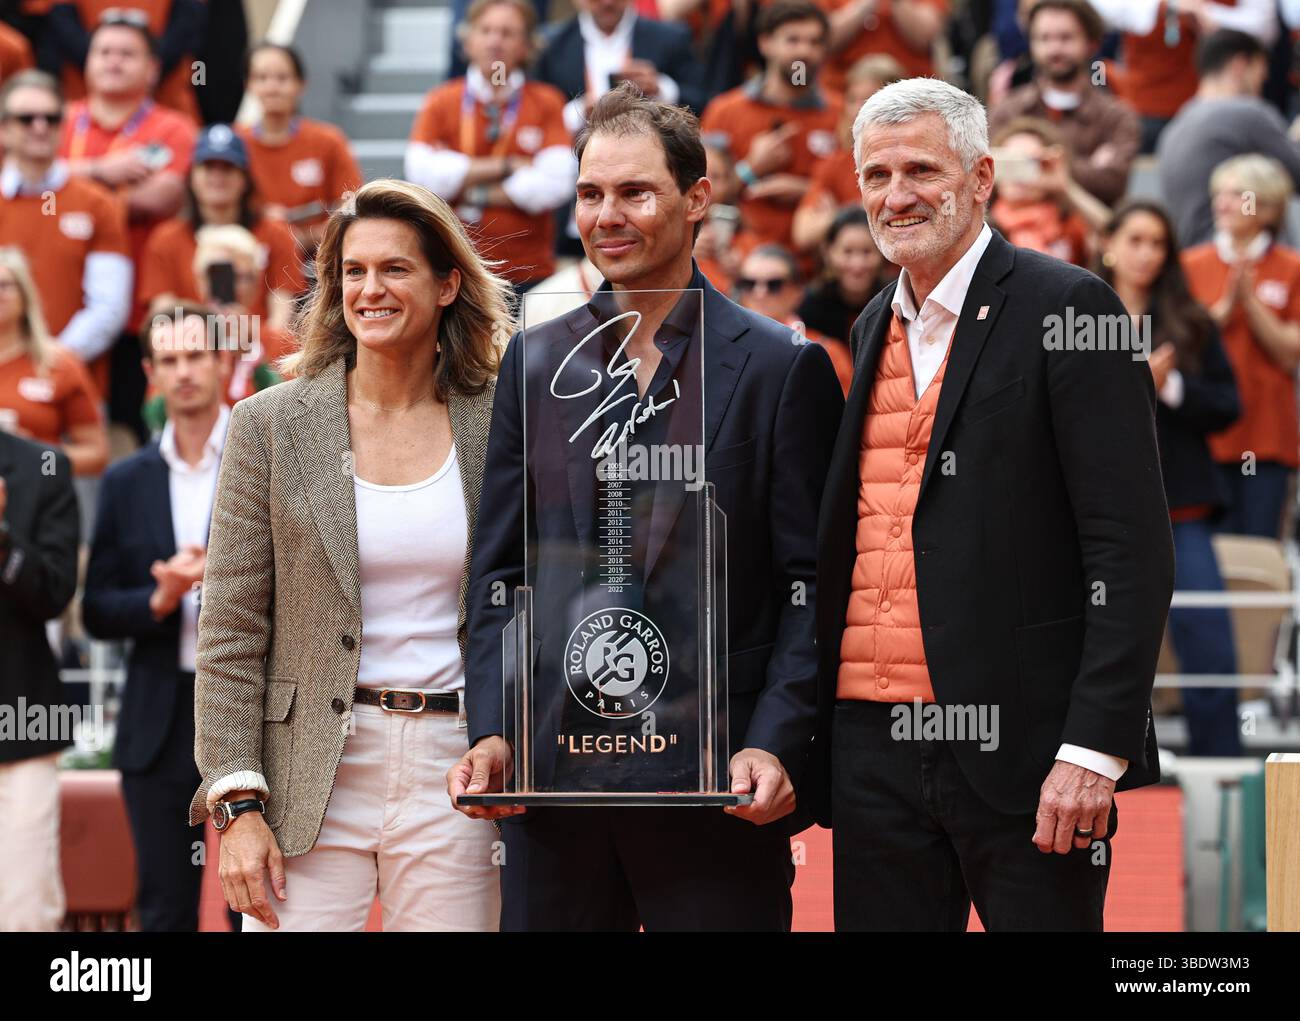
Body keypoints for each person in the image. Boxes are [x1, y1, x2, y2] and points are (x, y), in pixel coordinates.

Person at [451, 83, 844, 931]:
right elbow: (500, 570)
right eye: (590, 194)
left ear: (697, 199)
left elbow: (813, 587)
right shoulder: (533, 358)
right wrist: (493, 725)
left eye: (635, 192)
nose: (607, 215)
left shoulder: (781, 367)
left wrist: (776, 738)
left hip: (715, 788)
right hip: (553, 787)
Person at [814, 77, 1173, 931]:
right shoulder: (871, 326)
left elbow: (1130, 547)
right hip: (873, 748)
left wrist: (1093, 749)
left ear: (980, 179)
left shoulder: (1072, 306)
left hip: (1029, 751)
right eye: (875, 175)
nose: (895, 196)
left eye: (921, 171)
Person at [190, 179, 509, 932]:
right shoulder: (269, 423)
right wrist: (236, 803)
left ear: (448, 283)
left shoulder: (503, 417)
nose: (371, 289)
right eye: (353, 271)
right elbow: (230, 629)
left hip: (458, 767)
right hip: (305, 773)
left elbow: (531, 593)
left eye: (396, 268)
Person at [82, 303, 238, 932]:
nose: (184, 373)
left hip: (249, 713)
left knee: (257, 905)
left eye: (196, 356)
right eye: (169, 360)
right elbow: (94, 608)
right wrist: (160, 598)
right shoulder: (126, 480)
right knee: (163, 907)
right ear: (149, 371)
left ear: (224, 361)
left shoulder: (268, 460)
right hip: (159, 717)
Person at [1096, 199, 1243, 757]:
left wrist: (1170, 387)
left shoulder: (1189, 320)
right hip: (1096, 514)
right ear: (1111, 242)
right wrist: (1130, 386)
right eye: (1135, 240)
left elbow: (1228, 406)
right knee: (1086, 646)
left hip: (1180, 509)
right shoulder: (1067, 314)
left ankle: (1224, 776)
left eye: (1158, 243)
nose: (1146, 254)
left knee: (1210, 645)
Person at [405, 0, 576, 292]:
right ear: (468, 41)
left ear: (526, 46)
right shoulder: (441, 100)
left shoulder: (547, 100)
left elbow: (554, 185)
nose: (495, 41)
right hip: (454, 270)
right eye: (486, 31)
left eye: (507, 33)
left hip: (528, 272)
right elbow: (422, 177)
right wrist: (507, 166)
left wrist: (467, 186)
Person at [1182, 153, 1300, 539]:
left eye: (1237, 195)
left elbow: (1290, 351)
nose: (1223, 203)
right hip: (1205, 435)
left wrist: (1251, 305)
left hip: (1266, 437)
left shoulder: (1291, 267)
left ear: (1266, 208)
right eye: (1220, 194)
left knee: (1260, 549)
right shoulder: (1190, 265)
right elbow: (1179, 344)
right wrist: (1221, 313)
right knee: (1207, 552)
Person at [0, 70, 131, 387]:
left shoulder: (98, 204)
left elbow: (109, 307)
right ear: (3, 129)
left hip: (71, 386)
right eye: (26, 118)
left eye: (52, 118)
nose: (40, 127)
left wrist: (47, 361)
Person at [0, 429, 79, 931]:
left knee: (24, 912)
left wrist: (2, 537)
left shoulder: (43, 465)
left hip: (21, 733)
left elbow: (55, 592)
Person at [700, 0, 841, 260]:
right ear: (765, 43)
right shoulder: (725, 111)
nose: (804, 51)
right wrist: (750, 170)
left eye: (815, 42)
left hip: (819, 265)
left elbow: (855, 194)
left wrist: (804, 189)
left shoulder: (840, 114)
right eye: (793, 40)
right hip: (740, 264)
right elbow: (699, 194)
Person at [138, 124, 305, 334]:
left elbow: (282, 317)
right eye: (208, 166)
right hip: (192, 352)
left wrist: (253, 344)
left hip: (258, 352)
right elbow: (162, 316)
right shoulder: (166, 239)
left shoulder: (276, 234)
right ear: (192, 176)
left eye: (227, 167)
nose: (217, 176)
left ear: (245, 177)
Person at [988, 0, 1140, 206]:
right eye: (1044, 38)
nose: (1054, 48)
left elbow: (1112, 183)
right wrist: (1085, 167)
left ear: (1091, 44)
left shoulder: (1116, 117)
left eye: (1066, 38)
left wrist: (1026, 164)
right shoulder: (1008, 110)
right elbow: (987, 176)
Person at [1158, 30, 1300, 249]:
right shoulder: (1248, 113)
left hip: (1195, 260)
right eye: (1261, 72)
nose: (1264, 81)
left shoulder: (1175, 126)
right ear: (1240, 65)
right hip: (1245, 256)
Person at [1090, 0, 1277, 153]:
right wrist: (1167, 7)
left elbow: (1263, 26)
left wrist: (1205, 13)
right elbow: (1094, 10)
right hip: (1145, 110)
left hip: (1216, 111)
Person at [237, 42, 362, 255]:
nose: (272, 87)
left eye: (282, 78)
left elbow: (352, 206)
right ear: (248, 84)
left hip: (319, 259)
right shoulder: (235, 143)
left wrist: (304, 236)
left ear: (300, 84)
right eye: (261, 78)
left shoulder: (328, 140)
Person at [0, 248, 107, 475]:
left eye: (4, 285)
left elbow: (96, 455)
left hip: (38, 501)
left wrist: (36, 457)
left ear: (25, 295)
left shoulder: (59, 364)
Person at [534, 0, 702, 134]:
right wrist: (578, 112)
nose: (608, 2)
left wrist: (661, 88)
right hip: (572, 160)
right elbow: (532, 112)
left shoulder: (671, 37)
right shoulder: (549, 44)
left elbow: (701, 102)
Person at [792, 53, 903, 255]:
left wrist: (836, 215)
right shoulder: (835, 163)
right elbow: (804, 234)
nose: (858, 109)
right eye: (853, 99)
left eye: (869, 98)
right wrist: (863, 211)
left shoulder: (912, 159)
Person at [43, 1, 207, 123]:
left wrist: (145, 64)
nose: (114, 62)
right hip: (80, 103)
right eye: (106, 54)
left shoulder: (178, 129)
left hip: (169, 98)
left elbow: (189, 25)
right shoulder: (61, 125)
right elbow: (58, 21)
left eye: (125, 54)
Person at [988, 116, 1105, 267]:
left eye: (1031, 163)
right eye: (1011, 162)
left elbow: (1113, 234)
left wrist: (1065, 187)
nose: (1019, 176)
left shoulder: (1068, 227)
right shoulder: (981, 227)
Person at [736, 243, 853, 393]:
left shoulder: (828, 352)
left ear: (798, 292)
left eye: (774, 284)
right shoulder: (724, 344)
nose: (759, 293)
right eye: (749, 283)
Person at [797, 204, 888, 343]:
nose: (857, 265)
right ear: (828, 252)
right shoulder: (808, 307)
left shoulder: (895, 302)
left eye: (867, 252)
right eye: (847, 252)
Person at [816, 0, 947, 92]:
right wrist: (864, 5)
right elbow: (823, 40)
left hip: (911, 91)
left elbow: (924, 38)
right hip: (844, 91)